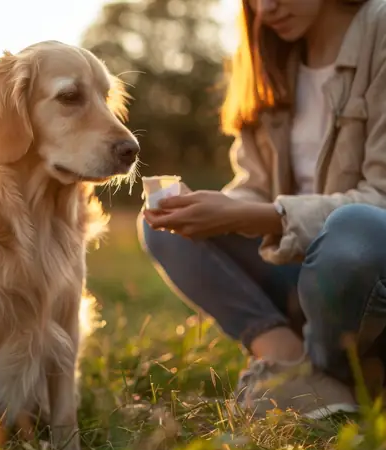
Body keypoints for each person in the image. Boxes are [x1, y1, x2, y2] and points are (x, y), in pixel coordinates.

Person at [139, 0, 386, 419]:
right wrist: (211, 208)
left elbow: (380, 199)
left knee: (352, 231)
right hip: (297, 275)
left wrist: (256, 216)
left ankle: (337, 372)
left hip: (362, 276)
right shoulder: (265, 56)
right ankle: (290, 364)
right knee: (164, 227)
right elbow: (254, 186)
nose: (266, 7)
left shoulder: (380, 30)